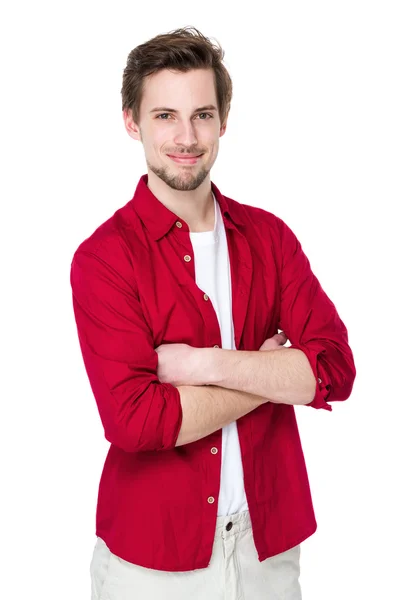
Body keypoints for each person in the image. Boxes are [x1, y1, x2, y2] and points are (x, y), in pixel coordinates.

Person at [70, 25, 356, 600]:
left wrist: (201, 364)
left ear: (224, 119)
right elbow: (137, 421)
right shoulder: (104, 258)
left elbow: (333, 371)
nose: (186, 136)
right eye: (164, 116)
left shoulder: (270, 239)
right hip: (150, 563)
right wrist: (272, 378)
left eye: (202, 114)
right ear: (131, 122)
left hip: (265, 552)